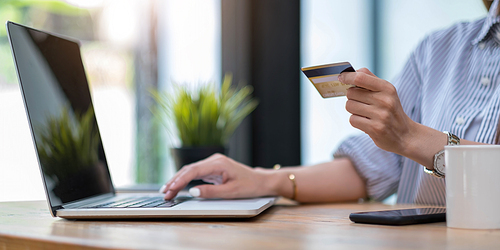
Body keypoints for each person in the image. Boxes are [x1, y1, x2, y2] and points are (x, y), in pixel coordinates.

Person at [160, 0, 500, 206]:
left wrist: (410, 136)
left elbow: (405, 142)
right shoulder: (437, 48)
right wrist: (263, 180)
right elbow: (374, 165)